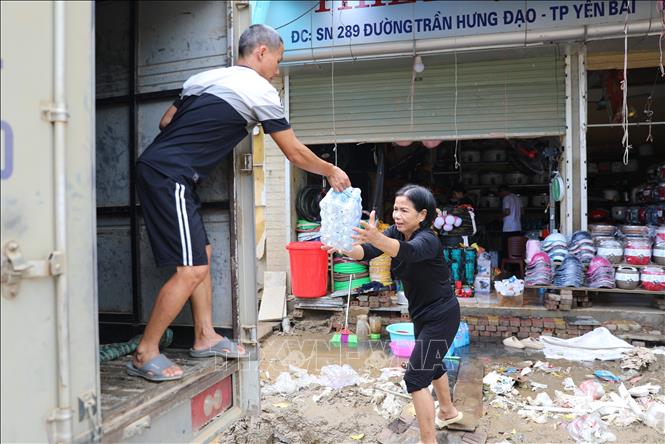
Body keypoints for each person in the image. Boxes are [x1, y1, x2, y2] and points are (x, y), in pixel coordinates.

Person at [127, 24, 351, 382]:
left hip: (167, 170)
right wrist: (329, 170)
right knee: (191, 270)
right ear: (261, 52)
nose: (276, 71)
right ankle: (145, 351)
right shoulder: (260, 90)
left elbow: (166, 120)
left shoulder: (203, 78)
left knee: (204, 253)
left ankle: (204, 336)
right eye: (277, 61)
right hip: (170, 174)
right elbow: (292, 152)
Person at [323, 185, 463, 443]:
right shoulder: (394, 233)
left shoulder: (428, 239)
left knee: (414, 377)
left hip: (442, 315)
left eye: (404, 210)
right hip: (422, 314)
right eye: (395, 209)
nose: (397, 215)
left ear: (422, 215)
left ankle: (428, 441)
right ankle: (448, 411)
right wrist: (342, 245)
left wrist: (376, 238)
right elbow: (366, 252)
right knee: (432, 364)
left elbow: (406, 252)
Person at [498, 184, 522, 260]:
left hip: (508, 228)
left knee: (506, 249)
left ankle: (507, 268)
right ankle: (516, 267)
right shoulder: (517, 198)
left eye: (500, 193)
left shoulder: (506, 198)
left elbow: (507, 211)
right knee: (516, 250)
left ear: (502, 191)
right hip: (518, 227)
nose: (500, 195)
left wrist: (499, 217)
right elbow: (522, 211)